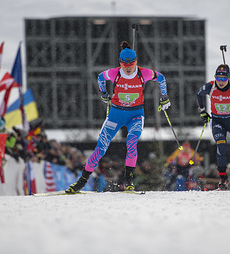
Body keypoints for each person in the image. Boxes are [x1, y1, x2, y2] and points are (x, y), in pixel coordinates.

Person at [66, 41, 170, 193]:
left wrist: (165, 96)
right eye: (124, 65)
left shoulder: (143, 73)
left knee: (132, 142)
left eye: (131, 64)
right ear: (120, 63)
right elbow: (101, 77)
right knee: (100, 149)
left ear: (136, 62)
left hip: (136, 115)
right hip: (116, 115)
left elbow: (160, 78)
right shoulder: (114, 73)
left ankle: (128, 181)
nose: (128, 68)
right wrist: (103, 94)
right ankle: (81, 182)